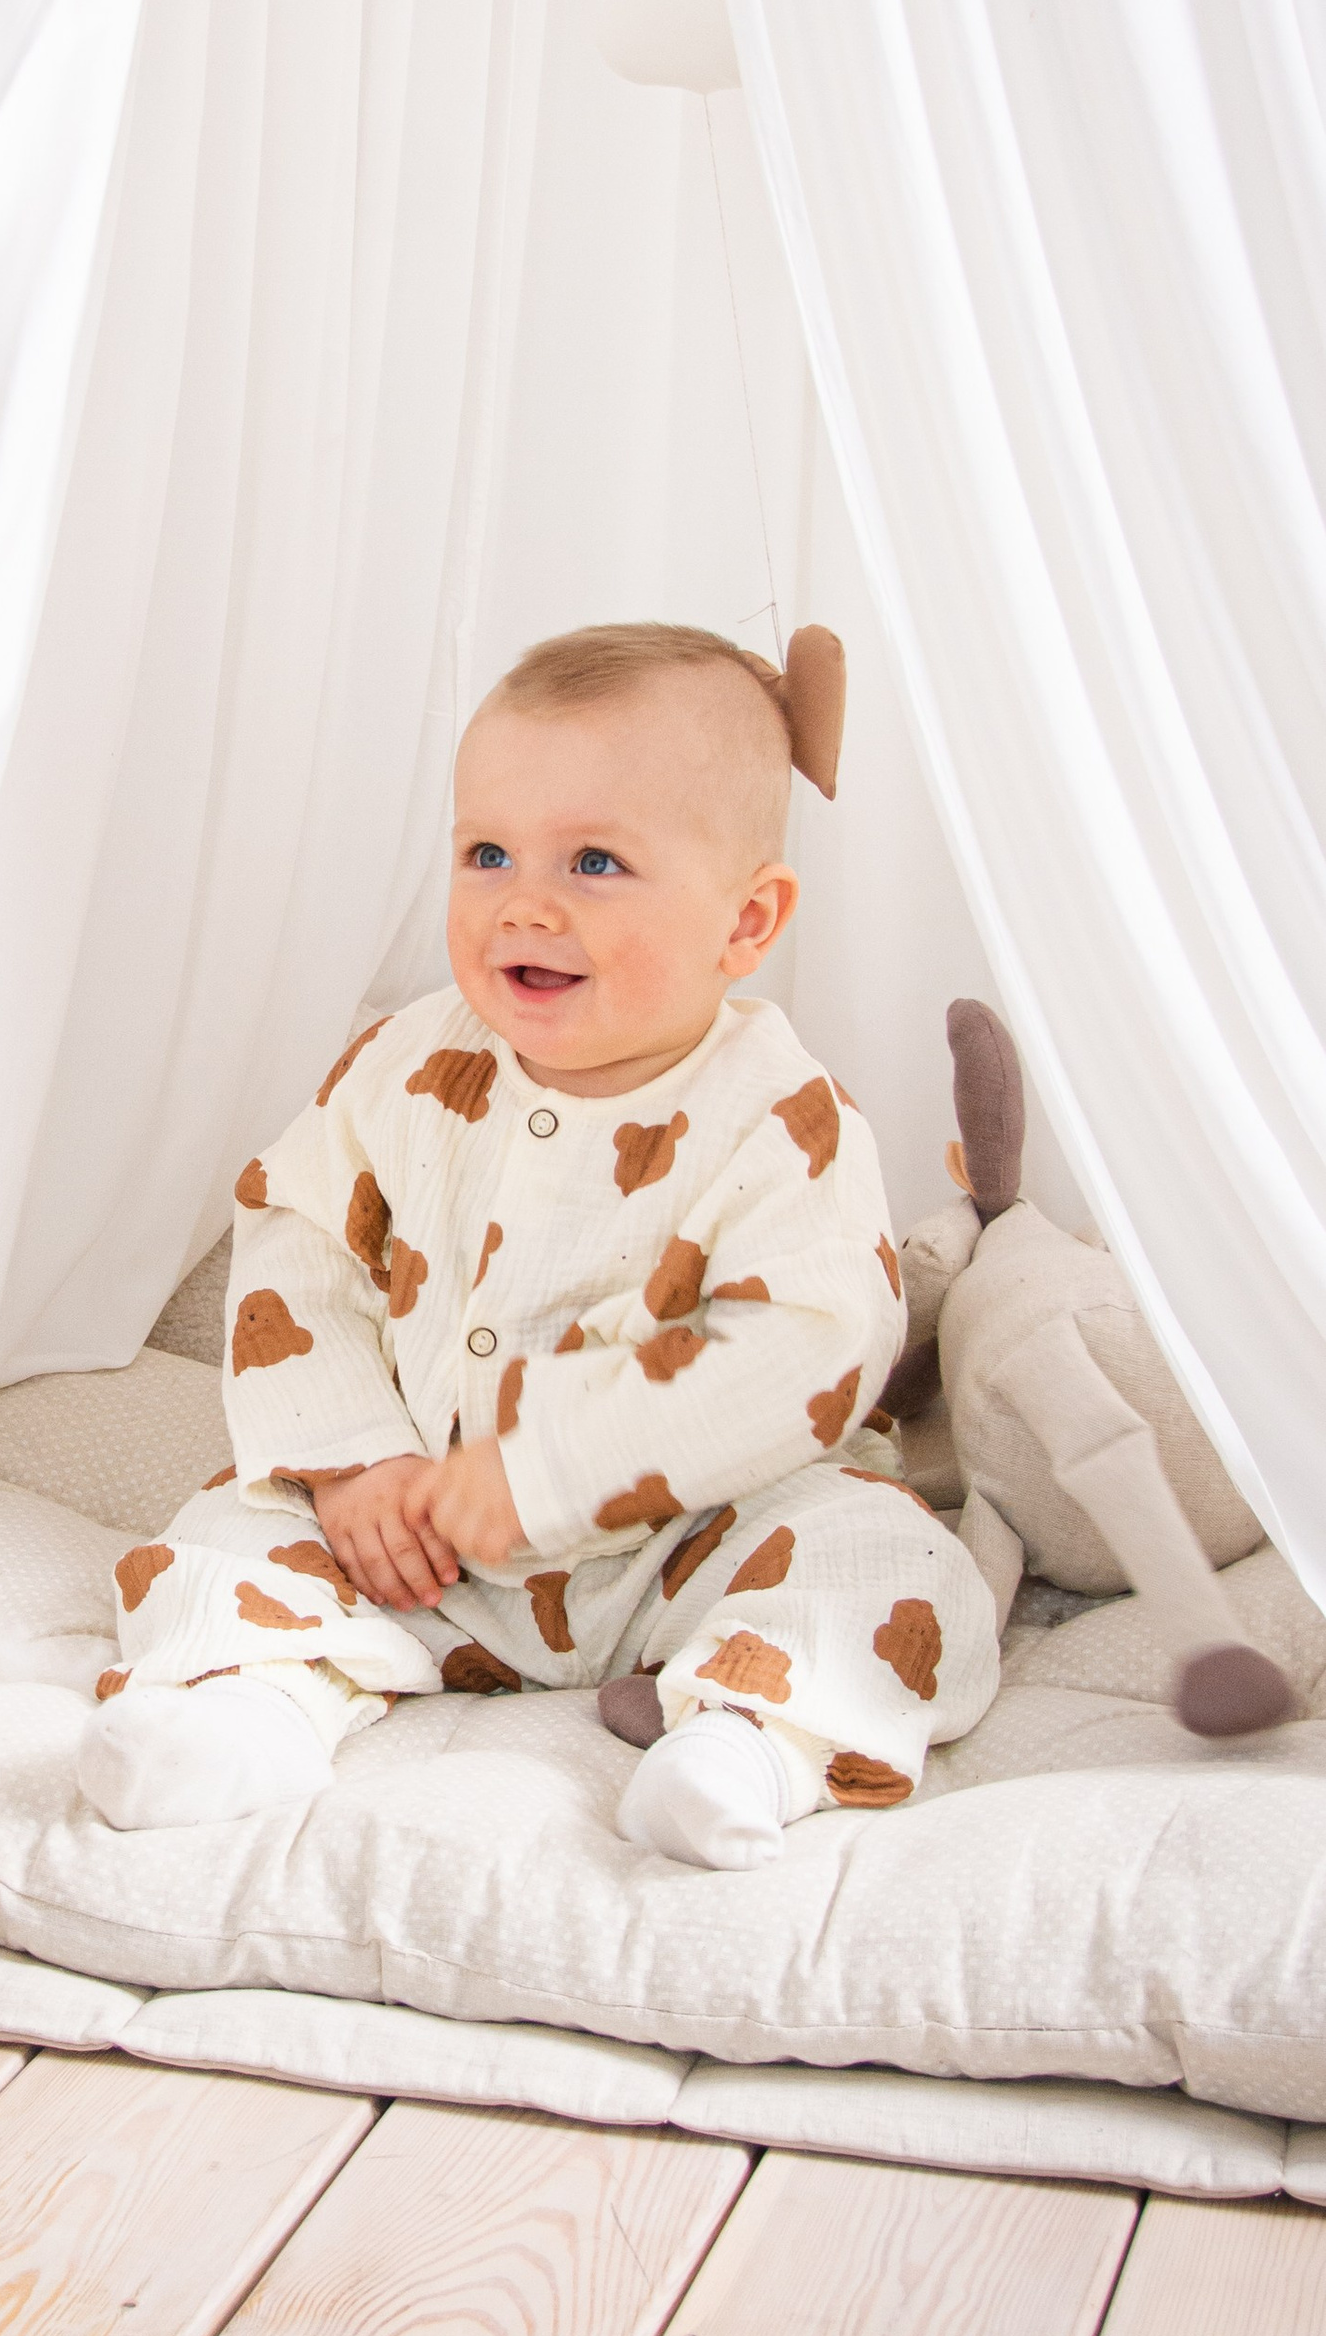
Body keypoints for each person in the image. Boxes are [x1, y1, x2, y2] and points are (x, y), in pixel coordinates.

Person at [79, 621, 998, 1864]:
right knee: (227, 1529)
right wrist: (352, 1465)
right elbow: (299, 1235)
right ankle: (253, 1706)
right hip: (418, 1542)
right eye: (488, 851)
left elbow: (812, 1351)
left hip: (690, 1543)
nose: (524, 902)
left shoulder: (781, 1116)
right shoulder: (409, 1060)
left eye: (596, 863)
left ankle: (748, 1742)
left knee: (886, 1560)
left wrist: (550, 1471)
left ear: (745, 925)